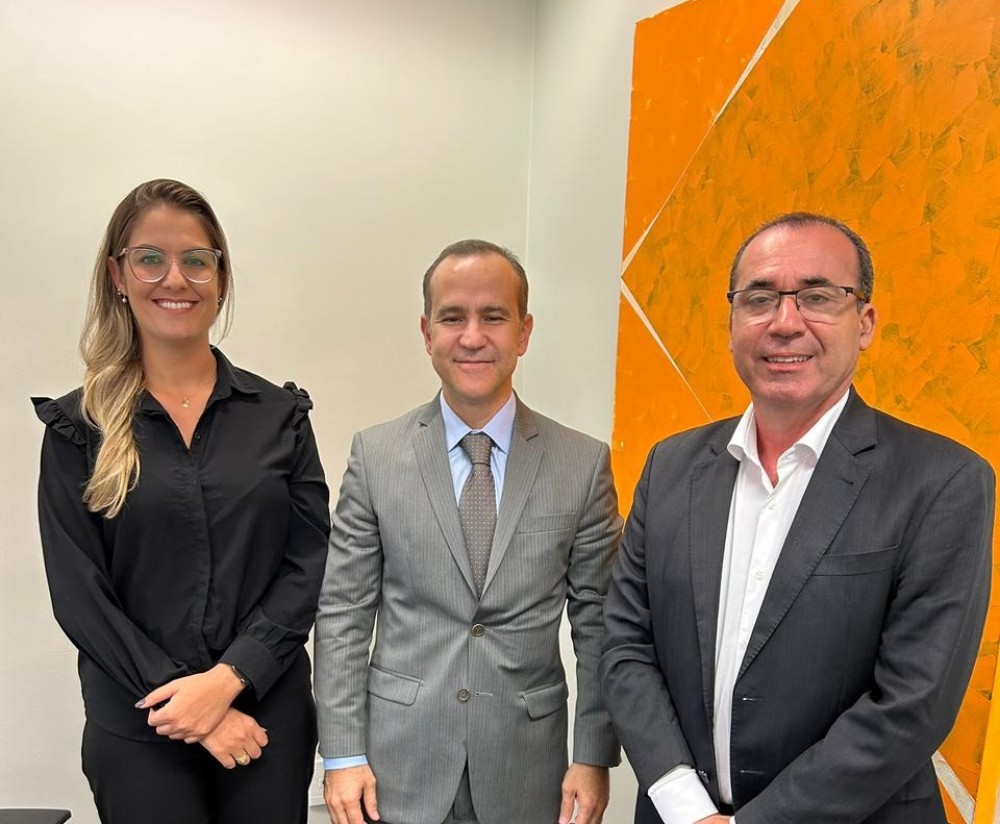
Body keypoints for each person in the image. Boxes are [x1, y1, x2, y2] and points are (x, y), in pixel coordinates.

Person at [600, 212, 995, 824]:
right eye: (759, 298)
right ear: (732, 323)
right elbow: (626, 643)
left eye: (818, 297)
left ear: (864, 324)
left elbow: (913, 702)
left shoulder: (943, 481)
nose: (785, 323)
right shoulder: (670, 466)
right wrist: (683, 804)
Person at [33, 179, 331, 824]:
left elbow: (310, 565)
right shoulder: (77, 428)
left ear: (220, 277)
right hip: (137, 724)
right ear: (118, 275)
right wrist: (189, 706)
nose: (176, 278)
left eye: (196, 259)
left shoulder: (279, 416)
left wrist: (229, 680)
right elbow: (80, 594)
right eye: (150, 258)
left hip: (265, 719)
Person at [314, 239, 622, 824]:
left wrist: (593, 754)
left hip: (527, 769)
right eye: (453, 317)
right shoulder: (375, 456)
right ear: (427, 332)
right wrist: (343, 753)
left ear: (524, 332)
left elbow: (600, 625)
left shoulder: (581, 464)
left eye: (494, 317)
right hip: (396, 768)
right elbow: (343, 613)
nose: (473, 337)